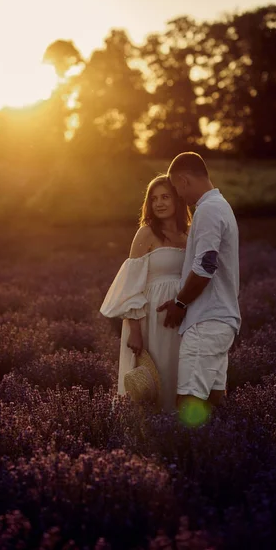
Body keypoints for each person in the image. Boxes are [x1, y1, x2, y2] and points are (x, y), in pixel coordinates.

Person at [157, 152, 241, 415]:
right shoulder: (221, 205)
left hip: (206, 322)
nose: (181, 198)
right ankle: (218, 452)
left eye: (177, 190)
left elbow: (205, 267)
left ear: (183, 181)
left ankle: (186, 455)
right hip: (221, 320)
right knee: (215, 400)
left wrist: (180, 302)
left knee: (188, 403)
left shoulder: (207, 210)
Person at [100, 175, 191, 413]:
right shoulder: (146, 234)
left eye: (165, 197)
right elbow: (132, 286)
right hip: (149, 319)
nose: (159, 203)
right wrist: (135, 331)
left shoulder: (189, 234)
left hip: (181, 316)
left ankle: (176, 433)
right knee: (152, 375)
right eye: (153, 199)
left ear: (177, 200)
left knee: (176, 372)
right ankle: (147, 434)